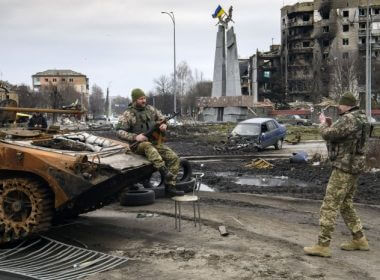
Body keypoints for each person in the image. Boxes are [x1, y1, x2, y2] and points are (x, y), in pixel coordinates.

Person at [304, 93, 371, 257]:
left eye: (340, 105)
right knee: (345, 204)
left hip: (344, 166)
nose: (338, 107)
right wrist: (331, 125)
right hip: (355, 166)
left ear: (346, 105)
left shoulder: (348, 118)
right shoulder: (361, 118)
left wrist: (322, 124)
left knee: (330, 204)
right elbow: (343, 135)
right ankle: (359, 238)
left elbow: (328, 134)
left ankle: (323, 245)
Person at [116, 88, 183, 197]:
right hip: (138, 145)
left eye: (144, 98)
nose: (143, 101)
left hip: (154, 142)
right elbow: (119, 132)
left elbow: (162, 119)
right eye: (140, 99)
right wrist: (135, 137)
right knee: (147, 146)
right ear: (134, 100)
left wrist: (164, 126)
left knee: (174, 157)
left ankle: (170, 187)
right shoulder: (128, 114)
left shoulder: (151, 109)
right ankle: (165, 172)